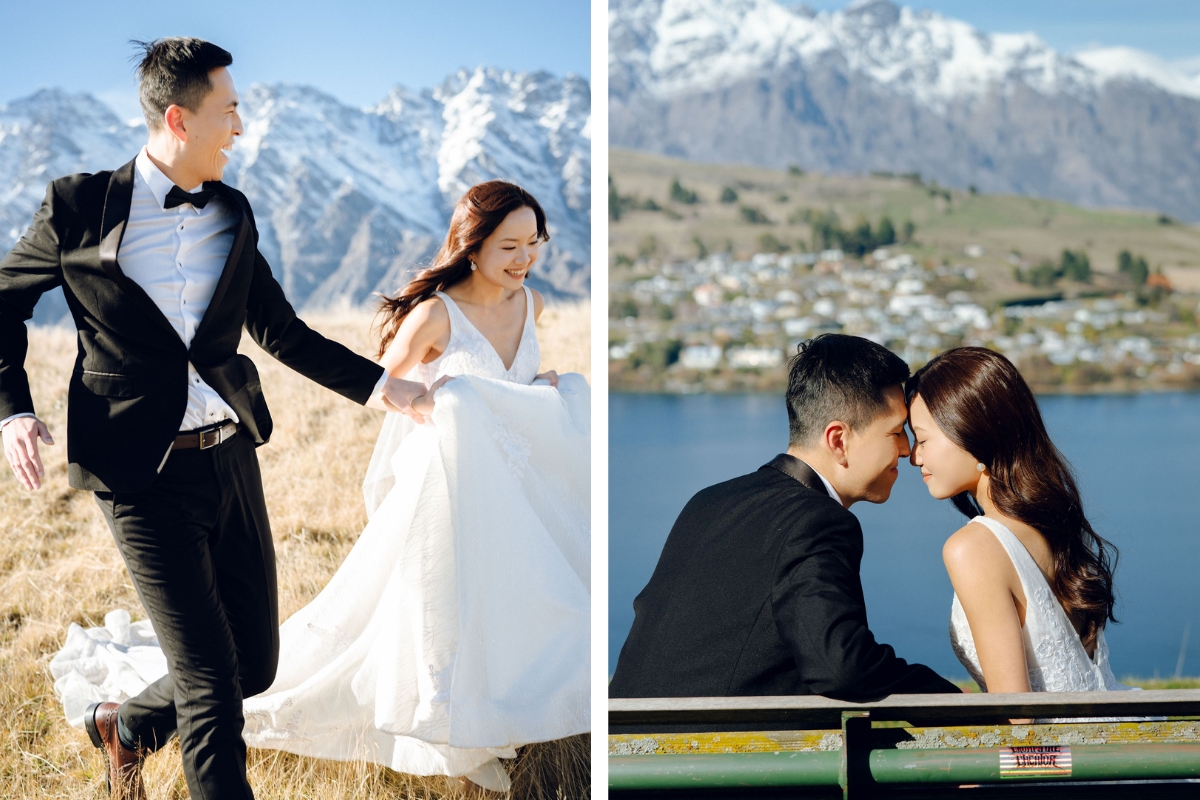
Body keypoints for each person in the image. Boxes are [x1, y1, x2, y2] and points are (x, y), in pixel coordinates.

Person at [50, 181, 592, 793]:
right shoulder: (437, 315)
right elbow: (395, 395)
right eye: (509, 246)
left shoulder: (534, 304)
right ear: (473, 247)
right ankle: (134, 726)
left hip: (515, 495)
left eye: (534, 244)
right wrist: (453, 412)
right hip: (453, 493)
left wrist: (543, 386)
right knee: (286, 661)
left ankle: (513, 717)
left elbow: (518, 393)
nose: (524, 260)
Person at [0, 39, 429, 800]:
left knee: (252, 667)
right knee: (208, 682)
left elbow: (281, 330)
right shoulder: (77, 207)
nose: (239, 126)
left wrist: (379, 387)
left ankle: (124, 727)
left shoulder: (232, 211)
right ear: (179, 118)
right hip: (137, 475)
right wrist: (13, 413)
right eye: (228, 110)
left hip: (230, 457)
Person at [609, 334, 959, 700]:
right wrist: (956, 702)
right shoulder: (818, 521)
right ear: (838, 440)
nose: (907, 450)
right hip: (706, 752)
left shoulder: (709, 500)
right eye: (895, 432)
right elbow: (841, 667)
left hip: (626, 743)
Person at [906, 347, 1125, 693]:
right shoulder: (1048, 521)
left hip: (1053, 748)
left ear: (969, 431)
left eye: (922, 439)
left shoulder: (973, 548)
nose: (914, 457)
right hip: (1103, 735)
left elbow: (1016, 714)